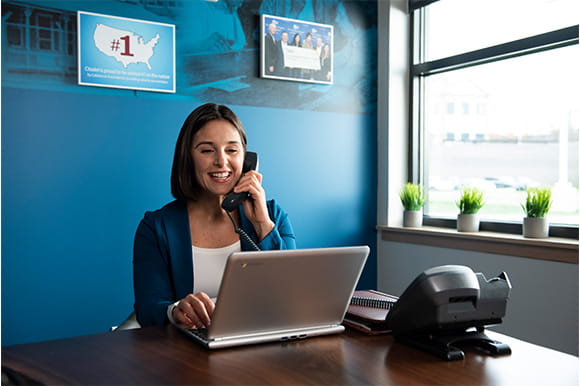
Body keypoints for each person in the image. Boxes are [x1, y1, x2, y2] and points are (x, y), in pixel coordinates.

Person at [133, 103, 296, 329]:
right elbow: (148, 307)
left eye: (232, 150)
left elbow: (293, 297)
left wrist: (262, 226)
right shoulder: (156, 227)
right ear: (188, 158)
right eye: (207, 150)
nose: (221, 161)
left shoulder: (273, 216)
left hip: (261, 348)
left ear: (247, 159)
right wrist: (175, 311)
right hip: (187, 354)